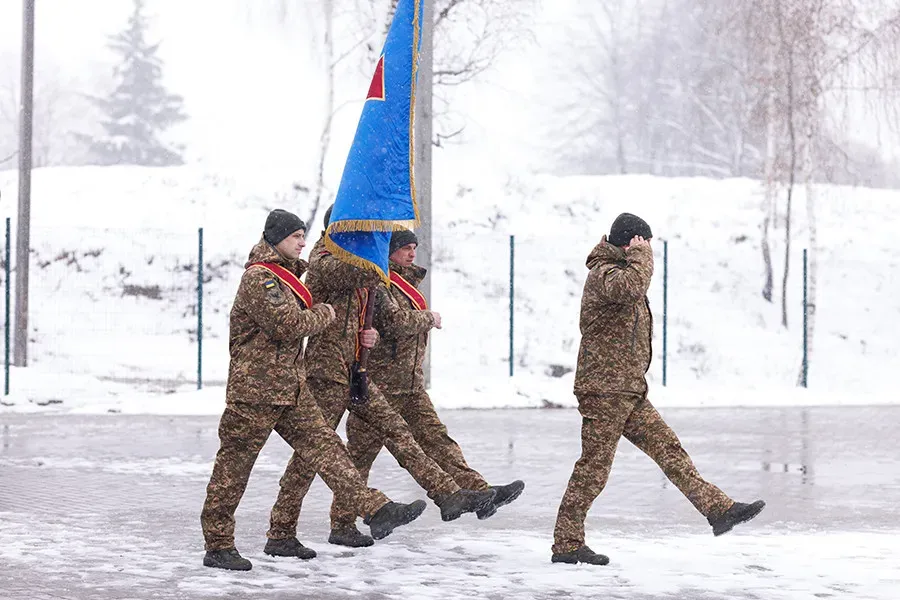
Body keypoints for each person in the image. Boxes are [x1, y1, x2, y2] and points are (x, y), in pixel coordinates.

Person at [200, 209, 427, 571]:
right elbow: (288, 325)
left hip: (292, 388)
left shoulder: (289, 279)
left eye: (304, 235)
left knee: (327, 448)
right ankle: (218, 544)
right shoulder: (261, 279)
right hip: (254, 393)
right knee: (234, 469)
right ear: (275, 239)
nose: (302, 243)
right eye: (295, 237)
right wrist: (325, 313)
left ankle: (373, 509)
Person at [266, 207, 496, 550]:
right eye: (360, 230)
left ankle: (447, 495)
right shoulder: (326, 260)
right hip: (326, 374)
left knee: (398, 430)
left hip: (355, 370)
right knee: (310, 457)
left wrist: (366, 331)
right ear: (342, 231)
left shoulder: (356, 265)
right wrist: (379, 250)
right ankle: (281, 532)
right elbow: (360, 275)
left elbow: (362, 311)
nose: (366, 237)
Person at [551, 213, 765, 566]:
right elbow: (631, 288)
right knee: (593, 470)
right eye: (644, 243)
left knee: (669, 450)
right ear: (630, 243)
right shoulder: (604, 274)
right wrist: (642, 257)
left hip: (628, 390)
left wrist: (639, 258)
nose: (649, 251)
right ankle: (566, 544)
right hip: (604, 393)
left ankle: (718, 509)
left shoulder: (623, 272)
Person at [328, 229, 525, 546]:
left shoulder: (404, 284)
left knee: (437, 440)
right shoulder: (378, 282)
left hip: (410, 386)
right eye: (405, 248)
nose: (411, 254)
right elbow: (394, 322)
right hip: (379, 386)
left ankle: (478, 491)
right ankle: (342, 525)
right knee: (360, 458)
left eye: (414, 248)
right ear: (389, 252)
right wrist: (428, 318)